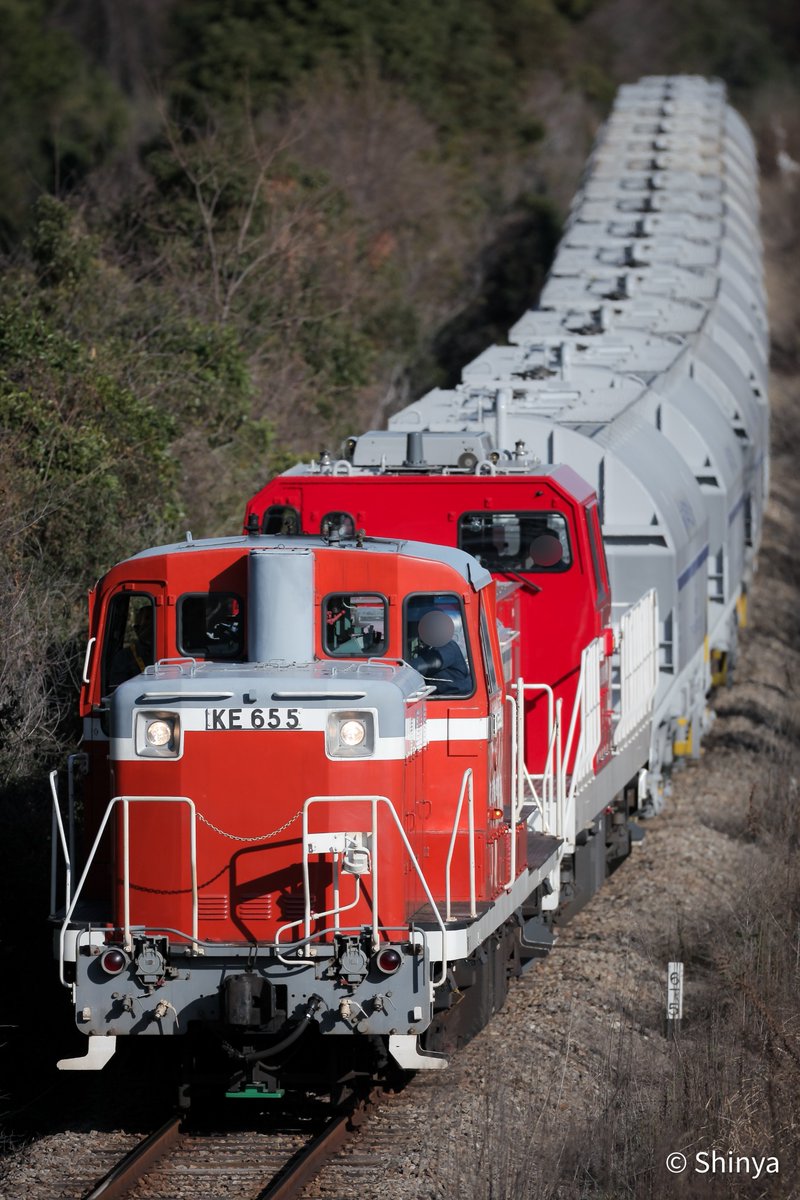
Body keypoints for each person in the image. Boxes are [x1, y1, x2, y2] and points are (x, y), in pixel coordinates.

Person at [410, 609, 471, 695]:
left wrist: (399, 668)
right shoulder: (428, 648)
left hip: (455, 697)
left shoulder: (448, 647)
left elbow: (428, 664)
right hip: (440, 696)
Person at [109, 607, 154, 687]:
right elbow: (117, 691)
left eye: (155, 621)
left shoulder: (178, 652)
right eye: (148, 619)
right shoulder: (124, 657)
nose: (152, 625)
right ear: (137, 629)